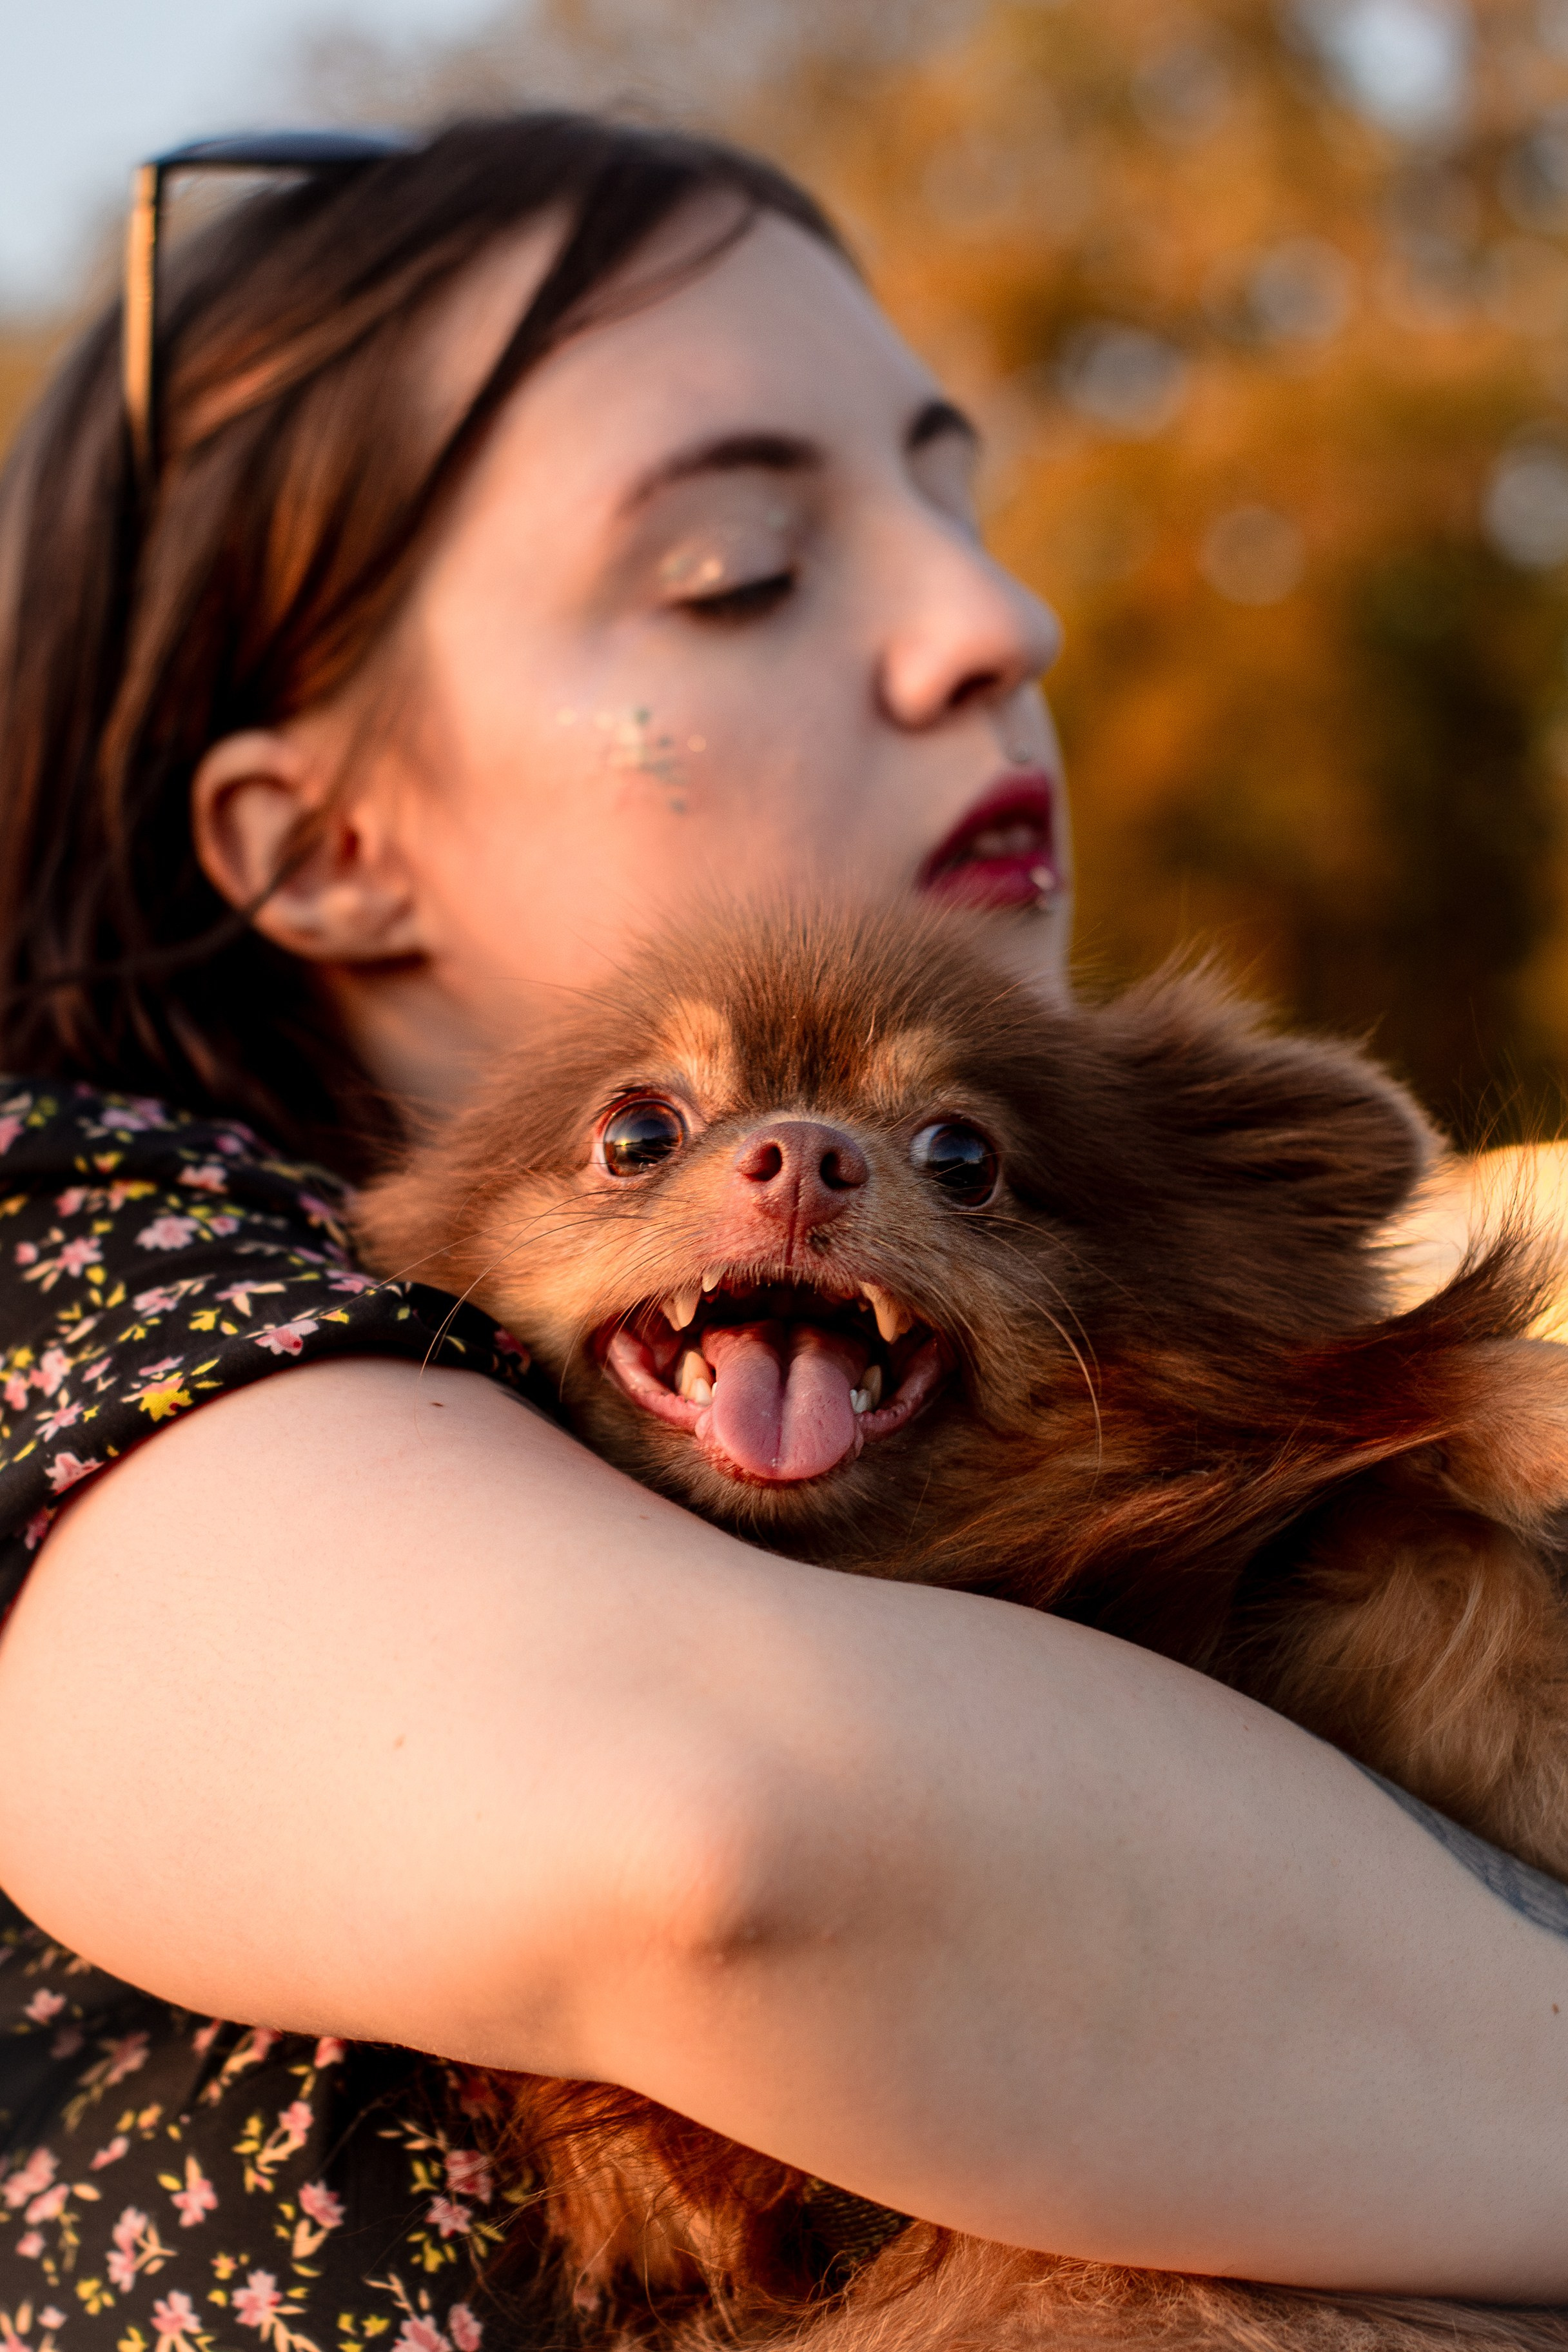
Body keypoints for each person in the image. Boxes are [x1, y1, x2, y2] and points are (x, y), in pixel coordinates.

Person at [0, 111, 1563, 2348]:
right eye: (738, 569)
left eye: (959, 507)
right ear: (323, 840)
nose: (995, 622)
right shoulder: (77, 1261)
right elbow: (715, 1846)